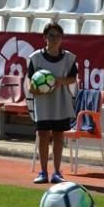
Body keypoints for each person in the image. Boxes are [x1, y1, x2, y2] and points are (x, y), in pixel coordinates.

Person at [27, 23, 79, 185]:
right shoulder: (36, 58)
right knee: (43, 136)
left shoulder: (69, 58)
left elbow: (72, 78)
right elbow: (30, 80)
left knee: (58, 136)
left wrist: (58, 81)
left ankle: (57, 172)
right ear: (45, 38)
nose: (54, 39)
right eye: (51, 36)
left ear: (62, 39)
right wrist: (35, 89)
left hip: (60, 102)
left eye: (57, 36)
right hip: (42, 102)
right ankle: (43, 172)